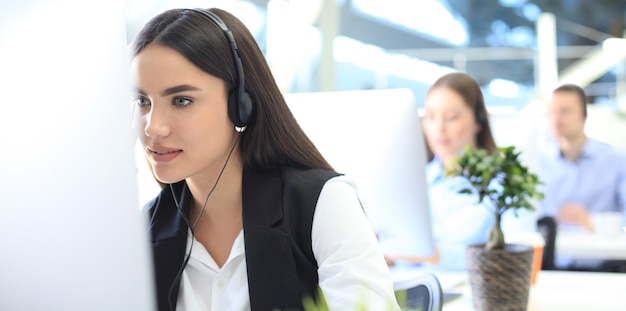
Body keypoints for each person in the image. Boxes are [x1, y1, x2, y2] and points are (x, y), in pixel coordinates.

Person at [130, 8, 399, 311]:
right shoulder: (146, 229)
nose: (153, 126)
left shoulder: (322, 205)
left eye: (181, 101)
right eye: (142, 101)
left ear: (240, 105)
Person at [386, 72, 531, 270]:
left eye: (451, 117)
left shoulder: (504, 184)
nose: (439, 128)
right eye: (430, 117)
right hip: (412, 290)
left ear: (477, 121)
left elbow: (518, 261)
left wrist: (437, 256)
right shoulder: (413, 183)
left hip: (479, 294)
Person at [538, 84, 626, 270]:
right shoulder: (539, 163)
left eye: (565, 111)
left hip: (604, 264)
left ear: (583, 116)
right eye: (552, 111)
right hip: (552, 264)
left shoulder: (616, 160)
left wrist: (592, 221)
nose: (556, 118)